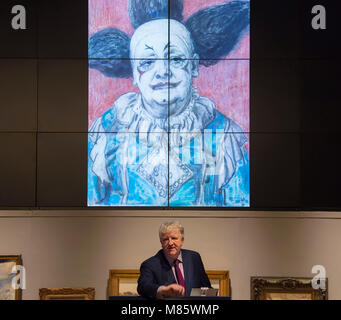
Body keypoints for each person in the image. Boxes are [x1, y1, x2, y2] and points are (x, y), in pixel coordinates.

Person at [88, 0, 250, 207]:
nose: (162, 71)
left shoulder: (223, 136)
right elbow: (92, 201)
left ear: (193, 66)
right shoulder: (107, 131)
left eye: (175, 58)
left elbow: (240, 205)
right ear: (134, 74)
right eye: (147, 62)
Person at [137, 220, 211, 299]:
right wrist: (163, 289)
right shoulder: (150, 264)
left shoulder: (194, 258)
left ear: (182, 240)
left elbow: (206, 287)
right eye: (166, 239)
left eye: (174, 238)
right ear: (161, 242)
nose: (170, 243)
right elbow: (143, 286)